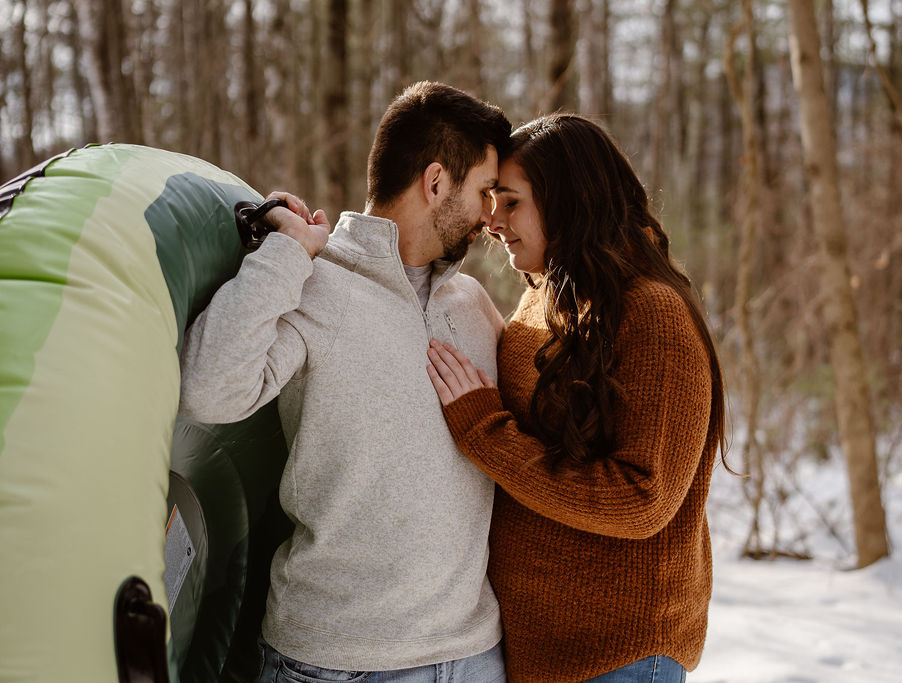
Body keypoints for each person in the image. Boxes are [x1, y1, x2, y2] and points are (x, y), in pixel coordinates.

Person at [179, 81, 511, 683]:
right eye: (484, 192)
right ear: (435, 183)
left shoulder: (472, 300)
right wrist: (284, 255)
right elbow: (209, 388)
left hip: (473, 657)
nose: (491, 216)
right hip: (338, 661)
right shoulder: (314, 282)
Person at [425, 113, 727, 683]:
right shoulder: (546, 299)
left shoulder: (654, 315)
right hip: (538, 653)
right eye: (492, 199)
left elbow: (643, 501)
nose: (493, 220)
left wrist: (484, 433)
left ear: (569, 203)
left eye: (511, 202)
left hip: (619, 657)